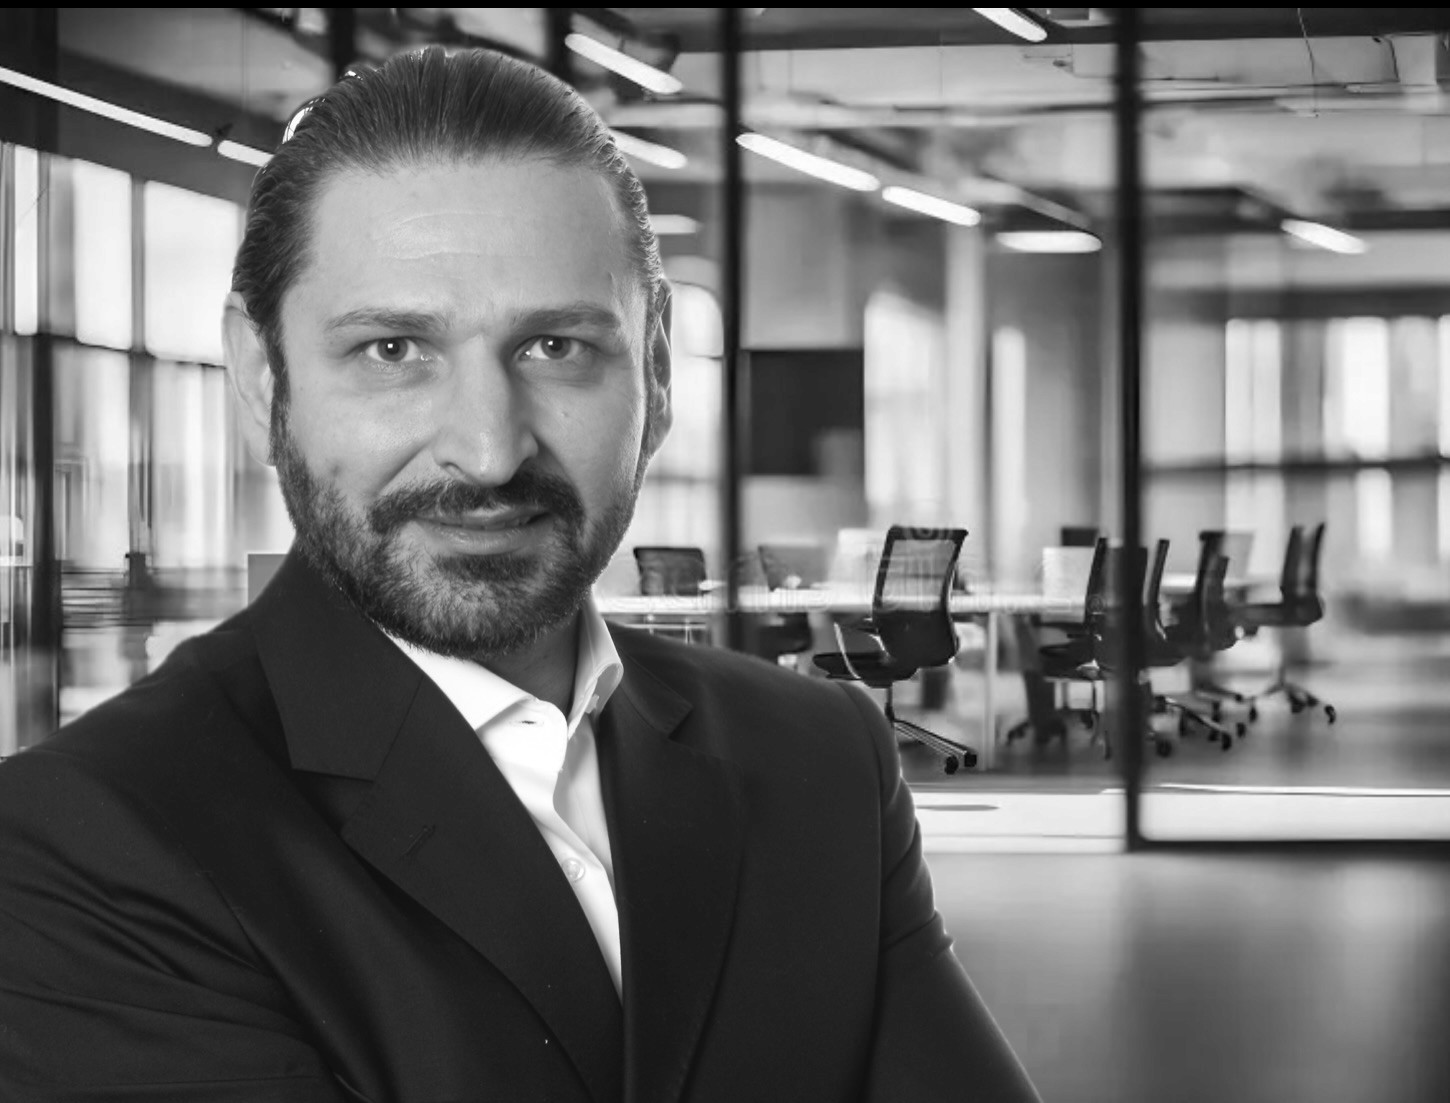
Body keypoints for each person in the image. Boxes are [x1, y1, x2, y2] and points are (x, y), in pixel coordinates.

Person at [0, 46, 1041, 1103]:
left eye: (555, 346)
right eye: (393, 350)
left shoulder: (819, 760)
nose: (489, 451)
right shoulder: (97, 836)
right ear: (261, 375)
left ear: (659, 373)